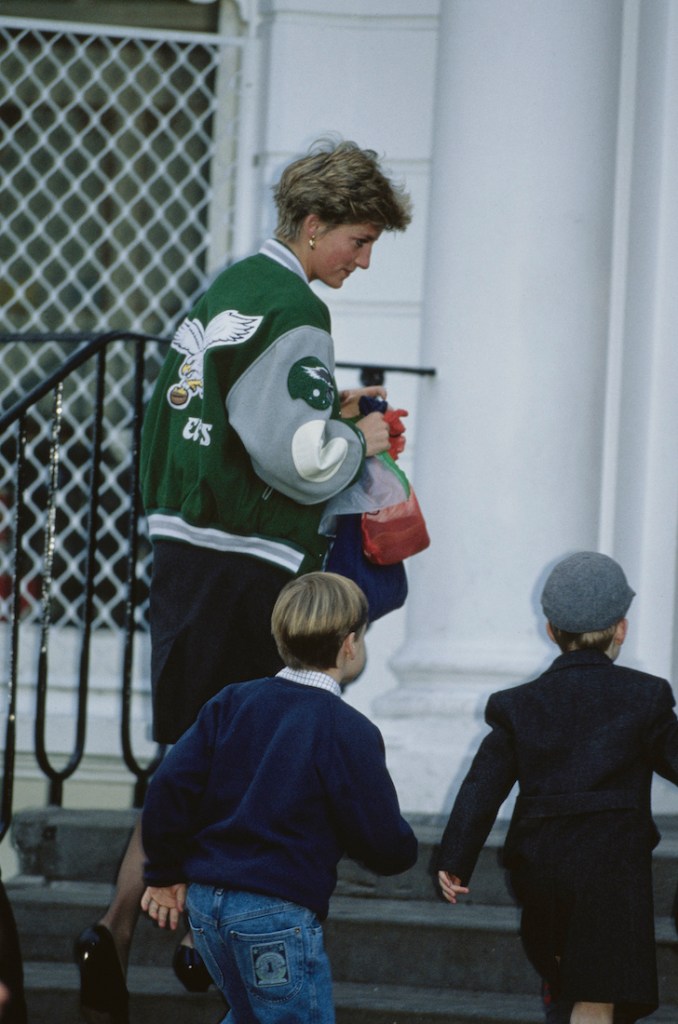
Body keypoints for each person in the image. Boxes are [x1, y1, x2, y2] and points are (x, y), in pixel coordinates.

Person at [74, 137, 412, 1023]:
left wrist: (319, 416)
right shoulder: (293, 304)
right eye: (359, 240)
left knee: (195, 751)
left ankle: (121, 927)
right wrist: (359, 442)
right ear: (311, 225)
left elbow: (223, 413)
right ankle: (185, 938)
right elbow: (297, 459)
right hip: (247, 558)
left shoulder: (232, 287)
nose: (363, 260)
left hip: (187, 548)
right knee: (244, 752)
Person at [139, 571, 418, 1023]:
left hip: (208, 907)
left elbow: (170, 786)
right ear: (349, 644)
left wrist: (165, 872)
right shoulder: (346, 729)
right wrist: (400, 851)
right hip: (273, 912)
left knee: (249, 1014)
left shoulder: (231, 702)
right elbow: (380, 837)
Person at [436, 551, 678, 1024]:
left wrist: (454, 859)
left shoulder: (518, 705)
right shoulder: (645, 697)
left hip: (541, 866)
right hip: (613, 872)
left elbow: (482, 785)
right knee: (596, 998)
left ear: (551, 631)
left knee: (572, 974)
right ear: (621, 629)